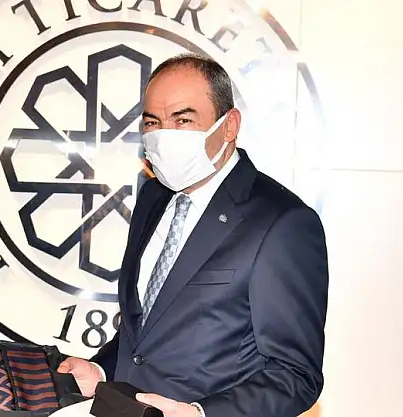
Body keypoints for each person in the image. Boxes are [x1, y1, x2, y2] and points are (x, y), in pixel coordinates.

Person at [57, 54, 329, 417]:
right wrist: (101, 370)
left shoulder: (283, 223)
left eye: (183, 120)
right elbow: (147, 330)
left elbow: (296, 375)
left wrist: (201, 414)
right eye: (153, 122)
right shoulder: (153, 196)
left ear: (229, 126)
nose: (163, 135)